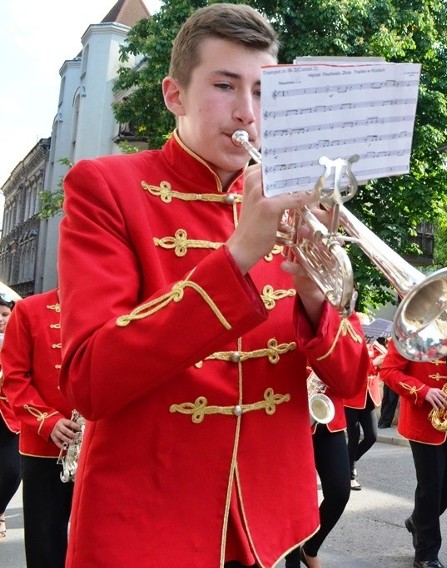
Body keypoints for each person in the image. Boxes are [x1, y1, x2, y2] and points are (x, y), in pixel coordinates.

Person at [56, 4, 368, 567]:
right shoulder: (107, 187)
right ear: (174, 95)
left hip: (272, 523)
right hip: (150, 523)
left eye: (263, 93)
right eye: (225, 86)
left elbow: (350, 381)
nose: (247, 114)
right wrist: (239, 255)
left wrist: (316, 297)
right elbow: (88, 382)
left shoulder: (297, 204)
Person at [380, 335, 447, 568]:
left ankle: (418, 520)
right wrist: (423, 390)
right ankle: (426, 553)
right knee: (430, 486)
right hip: (423, 419)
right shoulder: (408, 334)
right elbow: (388, 372)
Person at [0, 288, 77, 567]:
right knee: (45, 542)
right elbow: (14, 377)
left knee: (102, 543)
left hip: (103, 446)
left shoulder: (117, 308)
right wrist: (47, 420)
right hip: (45, 449)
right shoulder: (29, 310)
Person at [285, 377, 354, 568]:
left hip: (330, 415)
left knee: (340, 492)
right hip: (293, 413)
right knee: (297, 497)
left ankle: (310, 548)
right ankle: (292, 562)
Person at [344, 338, 385, 489]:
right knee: (353, 438)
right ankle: (349, 476)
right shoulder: (351, 344)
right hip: (352, 398)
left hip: (369, 397)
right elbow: (352, 368)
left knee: (372, 436)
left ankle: (349, 462)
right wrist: (374, 363)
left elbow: (386, 367)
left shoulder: (375, 347)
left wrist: (384, 360)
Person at [0, 293, 20, 541]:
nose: (1, 320)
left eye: (5, 315)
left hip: (10, 417)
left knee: (12, 471)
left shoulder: (18, 342)